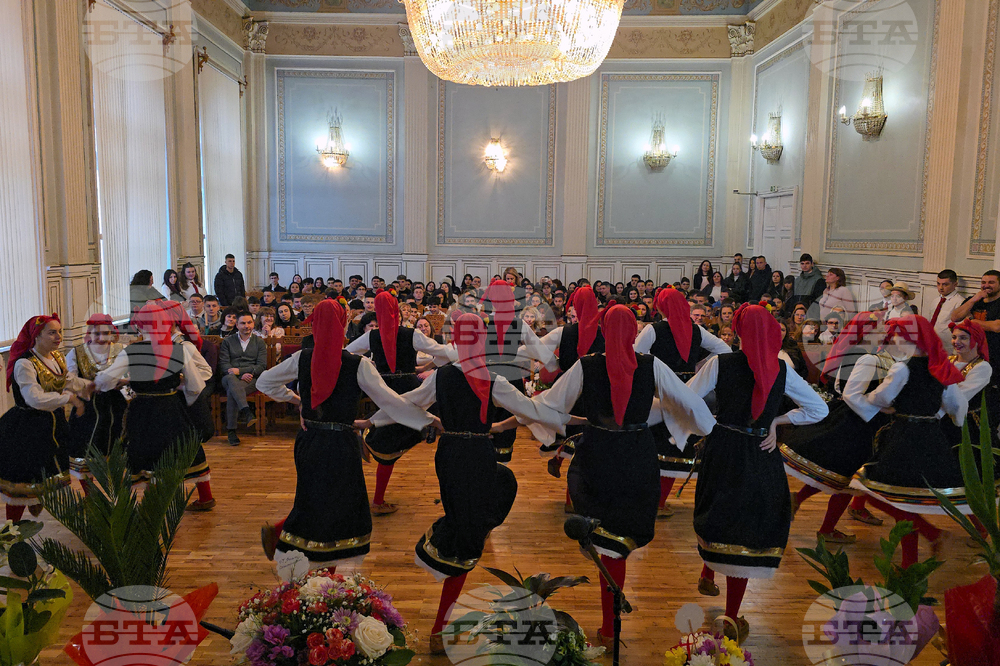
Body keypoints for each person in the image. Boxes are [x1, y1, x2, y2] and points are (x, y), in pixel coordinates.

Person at [365, 313, 568, 654]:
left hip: (449, 457)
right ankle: (439, 627)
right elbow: (532, 409)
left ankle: (441, 618)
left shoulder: (442, 376)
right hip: (478, 454)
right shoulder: (491, 378)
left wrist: (369, 421)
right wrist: (569, 421)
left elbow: (407, 404)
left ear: (456, 339)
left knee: (475, 514)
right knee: (467, 535)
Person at [531, 305, 716, 646]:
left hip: (598, 451)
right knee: (619, 540)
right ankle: (608, 625)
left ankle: (607, 625)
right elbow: (688, 401)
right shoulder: (651, 364)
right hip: (635, 452)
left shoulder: (586, 365)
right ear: (634, 331)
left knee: (603, 537)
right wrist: (706, 429)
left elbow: (552, 405)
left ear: (602, 328)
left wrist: (555, 421)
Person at [256, 300, 440, 570]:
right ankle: (327, 570)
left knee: (312, 497)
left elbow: (263, 382)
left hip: (309, 441)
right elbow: (392, 402)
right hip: (341, 442)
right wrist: (428, 419)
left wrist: (298, 402)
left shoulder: (301, 357)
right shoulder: (358, 364)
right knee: (342, 505)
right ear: (344, 324)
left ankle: (304, 562)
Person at [689, 305, 828, 643]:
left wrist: (709, 425)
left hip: (722, 448)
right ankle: (732, 617)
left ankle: (708, 572)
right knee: (746, 527)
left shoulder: (719, 363)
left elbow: (687, 398)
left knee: (717, 511)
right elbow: (819, 408)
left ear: (737, 331)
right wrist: (775, 423)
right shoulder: (783, 369)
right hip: (759, 452)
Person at [852, 315, 968, 568]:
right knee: (905, 499)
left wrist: (876, 403)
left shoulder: (902, 368)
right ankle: (913, 558)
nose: (894, 339)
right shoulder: (942, 368)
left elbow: (881, 398)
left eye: (897, 334)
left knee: (872, 491)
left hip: (903, 437)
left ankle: (931, 536)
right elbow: (957, 407)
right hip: (932, 438)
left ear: (908, 338)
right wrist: (938, 416)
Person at [780, 312, 893, 544]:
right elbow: (848, 392)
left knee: (838, 476)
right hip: (859, 422)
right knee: (845, 479)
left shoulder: (863, 353)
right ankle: (826, 528)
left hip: (855, 419)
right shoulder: (865, 356)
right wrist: (880, 409)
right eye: (879, 328)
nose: (884, 331)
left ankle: (800, 502)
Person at [94, 302, 216, 510]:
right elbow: (196, 386)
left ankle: (153, 505)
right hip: (171, 407)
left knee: (145, 450)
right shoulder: (180, 350)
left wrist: (97, 384)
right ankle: (205, 497)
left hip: (142, 410)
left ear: (140, 327)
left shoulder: (131, 351)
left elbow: (105, 380)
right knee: (188, 448)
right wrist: (178, 392)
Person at [345, 292, 456, 514]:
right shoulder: (411, 334)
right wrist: (462, 349)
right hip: (407, 385)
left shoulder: (371, 336)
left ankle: (367, 440)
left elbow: (346, 353)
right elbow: (440, 351)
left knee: (393, 439)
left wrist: (367, 366)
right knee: (394, 441)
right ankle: (377, 498)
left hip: (383, 390)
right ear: (397, 310)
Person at [634, 288, 733, 516]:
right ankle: (659, 502)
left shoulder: (654, 329)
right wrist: (701, 366)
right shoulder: (697, 330)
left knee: (652, 442)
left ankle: (647, 499)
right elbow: (724, 349)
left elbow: (636, 355)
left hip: (661, 390)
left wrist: (653, 369)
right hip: (690, 391)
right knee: (677, 444)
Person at [0, 315, 92, 520]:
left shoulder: (56, 358)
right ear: (36, 336)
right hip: (28, 429)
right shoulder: (25, 364)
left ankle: (85, 502)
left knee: (60, 467)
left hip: (54, 425)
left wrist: (94, 385)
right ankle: (10, 533)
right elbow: (34, 399)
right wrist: (67, 398)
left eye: (59, 331)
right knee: (24, 482)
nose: (58, 336)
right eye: (52, 332)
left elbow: (68, 380)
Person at [477, 279, 556, 463]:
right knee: (506, 422)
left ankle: (482, 464)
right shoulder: (519, 324)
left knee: (483, 419)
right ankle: (502, 466)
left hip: (484, 377)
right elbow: (539, 350)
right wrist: (554, 366)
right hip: (509, 377)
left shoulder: (480, 321)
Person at [537, 286, 605, 488]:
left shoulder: (563, 332)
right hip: (596, 392)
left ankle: (563, 471)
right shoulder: (605, 333)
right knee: (590, 442)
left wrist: (554, 363)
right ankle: (578, 493)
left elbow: (538, 348)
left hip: (567, 391)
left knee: (570, 436)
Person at [65, 315, 127, 482]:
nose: (101, 338)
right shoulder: (76, 352)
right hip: (87, 405)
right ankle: (89, 495)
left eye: (105, 333)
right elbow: (70, 379)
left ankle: (115, 493)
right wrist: (88, 386)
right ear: (89, 333)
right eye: (96, 333)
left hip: (114, 405)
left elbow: (132, 376)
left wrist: (122, 382)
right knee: (85, 448)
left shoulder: (122, 350)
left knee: (114, 444)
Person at [952, 270, 1000, 436]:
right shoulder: (974, 300)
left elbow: (997, 327)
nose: (986, 285)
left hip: (995, 358)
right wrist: (973, 299)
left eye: (991, 282)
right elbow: (955, 317)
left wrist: (973, 322)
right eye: (984, 282)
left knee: (989, 400)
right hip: (972, 357)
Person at [219, 312, 266, 446]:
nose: (247, 326)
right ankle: (246, 411)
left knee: (232, 392)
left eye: (249, 323)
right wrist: (237, 374)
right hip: (229, 377)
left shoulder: (259, 342)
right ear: (237, 325)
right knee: (231, 381)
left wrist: (241, 371)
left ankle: (231, 431)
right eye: (243, 323)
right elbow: (224, 364)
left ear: (253, 323)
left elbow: (261, 366)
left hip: (251, 379)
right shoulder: (228, 341)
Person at [931, 270, 964, 353]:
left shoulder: (960, 302)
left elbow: (960, 328)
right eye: (938, 284)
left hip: (948, 347)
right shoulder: (936, 301)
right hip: (932, 344)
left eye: (945, 284)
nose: (941, 287)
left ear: (955, 284)